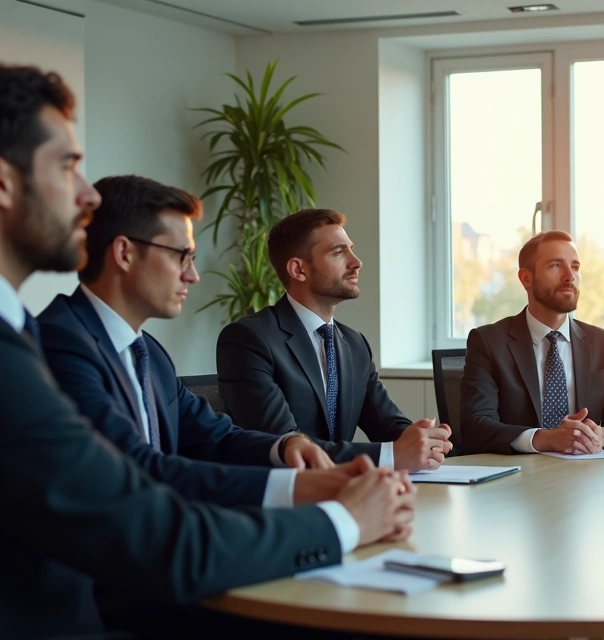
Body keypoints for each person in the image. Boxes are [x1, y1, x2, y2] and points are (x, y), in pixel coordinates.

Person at [0, 63, 413, 638]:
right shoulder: (50, 344)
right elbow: (141, 485)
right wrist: (340, 521)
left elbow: (209, 439)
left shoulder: (142, 351)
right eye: (68, 165)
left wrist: (294, 465)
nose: (86, 194)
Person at [39, 174, 367, 509]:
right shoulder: (59, 344)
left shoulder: (148, 352)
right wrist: (294, 488)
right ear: (124, 253)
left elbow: (217, 438)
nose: (192, 275)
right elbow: (137, 468)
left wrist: (285, 447)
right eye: (181, 255)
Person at [216, 208, 452, 472]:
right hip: (282, 500)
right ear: (298, 269)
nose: (356, 262)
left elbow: (388, 425)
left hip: (347, 494)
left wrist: (422, 439)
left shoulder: (354, 343)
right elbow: (285, 445)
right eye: (339, 253)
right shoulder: (248, 340)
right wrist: (392, 455)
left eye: (351, 249)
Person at [461, 230, 604, 455]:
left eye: (575, 267)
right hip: (518, 478)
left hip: (586, 476)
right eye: (556, 266)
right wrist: (544, 439)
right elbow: (475, 426)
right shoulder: (489, 342)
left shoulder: (602, 343)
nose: (569, 276)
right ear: (526, 278)